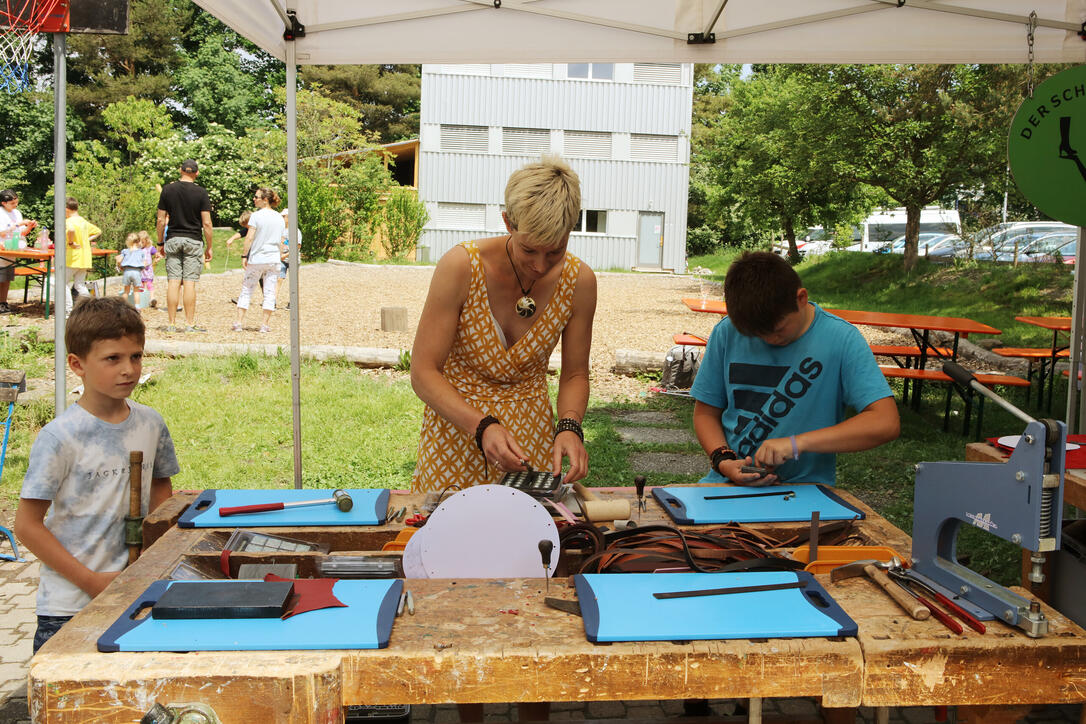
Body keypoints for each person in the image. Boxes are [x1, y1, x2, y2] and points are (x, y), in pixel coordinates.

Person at [410, 154, 595, 723]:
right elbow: (424, 370)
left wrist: (569, 427)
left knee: (534, 570)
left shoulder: (581, 281)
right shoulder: (459, 266)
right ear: (506, 221)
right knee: (457, 575)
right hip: (456, 426)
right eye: (529, 249)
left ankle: (533, 709)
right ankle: (470, 707)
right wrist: (481, 425)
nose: (541, 264)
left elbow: (574, 372)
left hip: (531, 432)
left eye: (555, 251)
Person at [13, 296, 179, 652]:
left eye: (135, 356)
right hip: (69, 607)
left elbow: (160, 491)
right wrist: (91, 581)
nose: (129, 369)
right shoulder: (61, 436)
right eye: (112, 359)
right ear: (77, 364)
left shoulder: (150, 423)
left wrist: (152, 561)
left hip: (136, 596)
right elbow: (27, 526)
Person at [691, 251, 900, 486]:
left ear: (801, 298)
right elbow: (706, 413)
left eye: (778, 329)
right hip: (726, 485)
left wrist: (796, 444)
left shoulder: (841, 339)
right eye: (757, 335)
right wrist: (724, 460)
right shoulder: (727, 332)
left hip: (804, 490)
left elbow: (885, 422)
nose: (769, 340)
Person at [157, 159, 213, 333]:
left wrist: (160, 242)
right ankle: (189, 324)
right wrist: (209, 246)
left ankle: (172, 324)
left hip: (173, 239)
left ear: (180, 170)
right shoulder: (201, 192)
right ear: (196, 173)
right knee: (189, 283)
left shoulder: (167, 190)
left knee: (173, 281)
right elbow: (207, 223)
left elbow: (160, 220)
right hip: (193, 240)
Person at [232, 188, 284, 333]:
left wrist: (244, 255)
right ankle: (264, 324)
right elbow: (281, 239)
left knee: (247, 289)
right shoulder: (279, 217)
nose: (254, 199)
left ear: (265, 199)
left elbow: (249, 237)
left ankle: (239, 322)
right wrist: (279, 257)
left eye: (256, 197)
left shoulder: (256, 216)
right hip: (273, 258)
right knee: (269, 292)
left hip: (258, 257)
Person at [0, 189, 38, 313]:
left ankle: (3, 302)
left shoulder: (17, 213)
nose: (15, 205)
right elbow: (2, 232)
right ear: (3, 203)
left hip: (13, 248)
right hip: (2, 248)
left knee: (7, 277)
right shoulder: (1, 213)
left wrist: (29, 227)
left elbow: (21, 233)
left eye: (16, 202)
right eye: (12, 203)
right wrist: (19, 223)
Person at [64, 198, 101, 315]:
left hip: (73, 256)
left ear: (66, 209)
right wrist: (86, 239)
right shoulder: (83, 221)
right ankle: (91, 307)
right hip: (85, 257)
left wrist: (71, 242)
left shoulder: (69, 221)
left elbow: (70, 230)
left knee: (63, 283)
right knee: (79, 284)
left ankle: (68, 310)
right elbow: (98, 231)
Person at [116, 233, 145, 306]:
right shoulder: (141, 252)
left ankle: (122, 306)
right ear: (138, 242)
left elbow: (119, 260)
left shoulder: (125, 251)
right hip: (136, 272)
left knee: (126, 291)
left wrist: (120, 266)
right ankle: (137, 307)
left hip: (127, 272)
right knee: (136, 291)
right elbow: (144, 263)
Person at [137, 231, 160, 308]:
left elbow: (156, 253)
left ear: (146, 241)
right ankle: (141, 300)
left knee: (149, 284)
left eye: (142, 242)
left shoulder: (150, 248)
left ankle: (152, 298)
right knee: (141, 286)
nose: (140, 244)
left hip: (148, 271)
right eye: (139, 242)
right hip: (140, 271)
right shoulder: (138, 249)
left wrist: (157, 256)